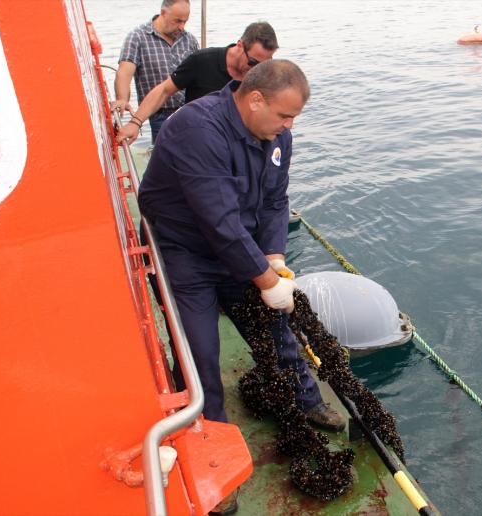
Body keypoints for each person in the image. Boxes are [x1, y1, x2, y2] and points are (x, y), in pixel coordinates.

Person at [139, 59, 345, 433]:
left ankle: (307, 401)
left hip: (239, 248)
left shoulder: (277, 136)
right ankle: (208, 434)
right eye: (284, 115)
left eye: (294, 117)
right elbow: (219, 222)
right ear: (254, 100)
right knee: (198, 352)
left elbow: (275, 201)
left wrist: (273, 257)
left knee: (274, 328)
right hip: (184, 254)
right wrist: (266, 281)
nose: (290, 126)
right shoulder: (197, 129)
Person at [117, 22, 278, 145]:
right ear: (240, 46)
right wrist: (135, 123)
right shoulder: (201, 61)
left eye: (263, 65)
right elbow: (164, 90)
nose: (256, 71)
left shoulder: (262, 76)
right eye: (252, 62)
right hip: (196, 145)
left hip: (235, 148)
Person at [112, 0, 198, 143]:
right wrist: (122, 99)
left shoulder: (189, 40)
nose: (181, 27)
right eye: (177, 21)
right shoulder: (137, 37)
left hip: (189, 111)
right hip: (160, 113)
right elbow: (124, 73)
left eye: (185, 21)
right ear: (163, 13)